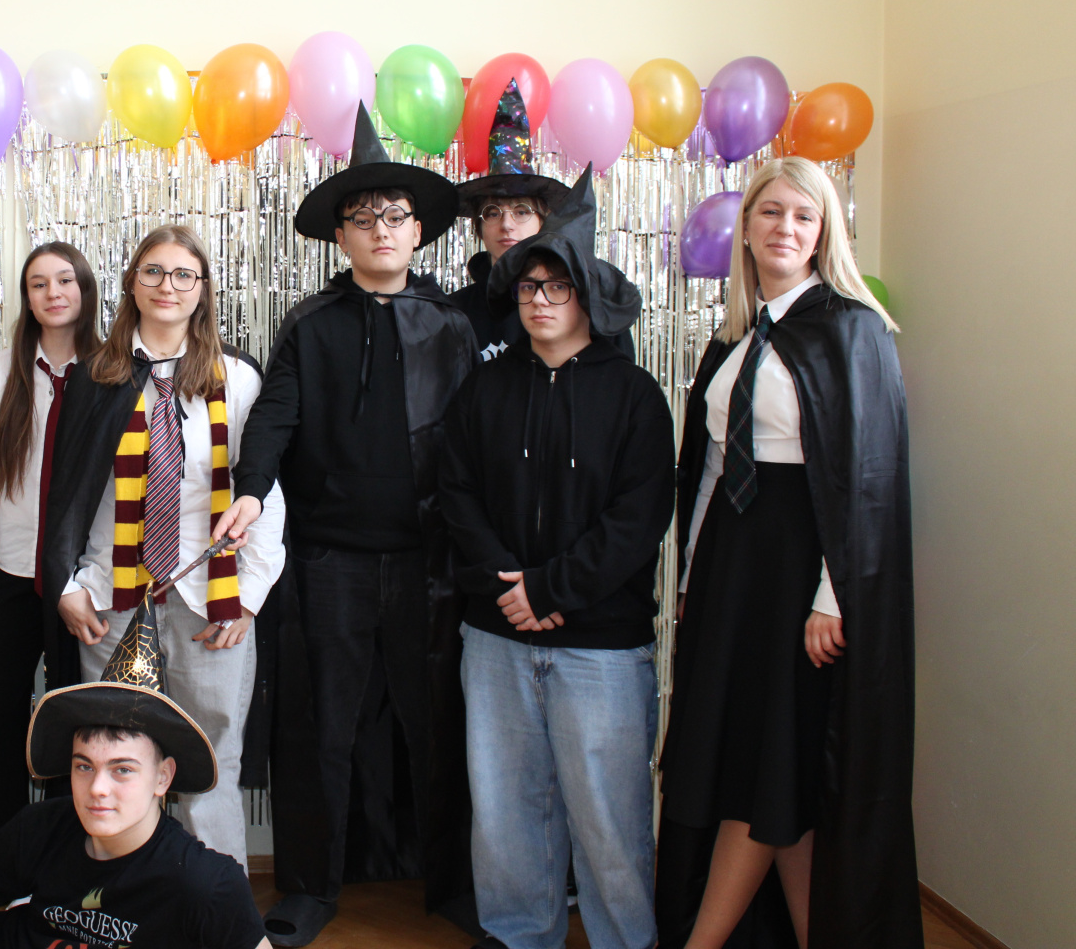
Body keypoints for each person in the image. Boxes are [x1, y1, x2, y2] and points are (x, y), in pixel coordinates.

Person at [215, 103, 480, 946]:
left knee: (437, 725)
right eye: (364, 219)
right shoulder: (310, 324)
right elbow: (275, 416)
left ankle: (455, 884)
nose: (381, 231)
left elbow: (475, 440)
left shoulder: (453, 326)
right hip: (330, 562)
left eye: (395, 217)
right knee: (319, 727)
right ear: (342, 237)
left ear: (417, 232)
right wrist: (250, 489)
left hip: (429, 562)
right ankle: (309, 887)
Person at [655, 156, 920, 949]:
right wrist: (692, 578)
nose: (786, 228)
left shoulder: (851, 328)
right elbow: (708, 470)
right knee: (767, 771)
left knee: (771, 771)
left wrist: (833, 598)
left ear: (824, 233)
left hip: (804, 573)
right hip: (732, 574)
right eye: (771, 212)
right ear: (746, 228)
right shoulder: (733, 340)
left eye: (805, 216)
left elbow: (865, 480)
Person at [440, 166, 674, 949]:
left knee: (608, 819)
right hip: (496, 637)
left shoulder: (635, 396)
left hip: (600, 645)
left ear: (587, 298)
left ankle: (624, 941)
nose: (539, 301)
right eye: (528, 288)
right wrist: (509, 590)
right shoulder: (483, 390)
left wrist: (550, 589)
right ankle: (518, 937)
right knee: (505, 813)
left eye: (557, 287)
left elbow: (637, 520)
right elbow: (457, 494)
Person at [0, 593, 271, 949]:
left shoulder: (206, 884)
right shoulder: (42, 829)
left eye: (122, 770)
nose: (97, 789)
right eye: (84, 766)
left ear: (163, 777)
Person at [51, 225, 287, 869]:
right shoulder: (95, 376)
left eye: (184, 274)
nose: (168, 286)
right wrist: (67, 585)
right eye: (153, 271)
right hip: (112, 599)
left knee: (211, 759)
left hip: (210, 599)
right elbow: (65, 491)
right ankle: (122, 899)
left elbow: (263, 493)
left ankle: (214, 904)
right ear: (132, 282)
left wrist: (248, 598)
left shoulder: (236, 377)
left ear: (203, 289)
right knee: (113, 759)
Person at [0, 241, 103, 849]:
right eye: (38, 284)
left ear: (85, 289)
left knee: (74, 722)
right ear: (26, 298)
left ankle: (65, 853)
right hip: (16, 572)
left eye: (65, 280)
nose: (53, 293)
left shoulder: (111, 369)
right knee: (0, 719)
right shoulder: (0, 373)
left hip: (82, 580)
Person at [451, 81, 632, 362]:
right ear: (479, 226)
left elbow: (620, 382)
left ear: (543, 222)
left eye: (522, 211)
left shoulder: (588, 307)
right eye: (493, 213)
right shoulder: (455, 313)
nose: (507, 225)